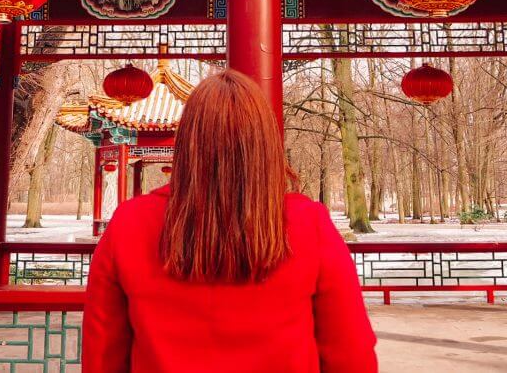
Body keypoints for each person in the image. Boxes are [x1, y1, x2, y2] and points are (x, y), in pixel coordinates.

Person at [83, 70, 378, 373]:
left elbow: (102, 354)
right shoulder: (308, 223)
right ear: (266, 142)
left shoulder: (130, 223)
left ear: (186, 141)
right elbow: (352, 354)